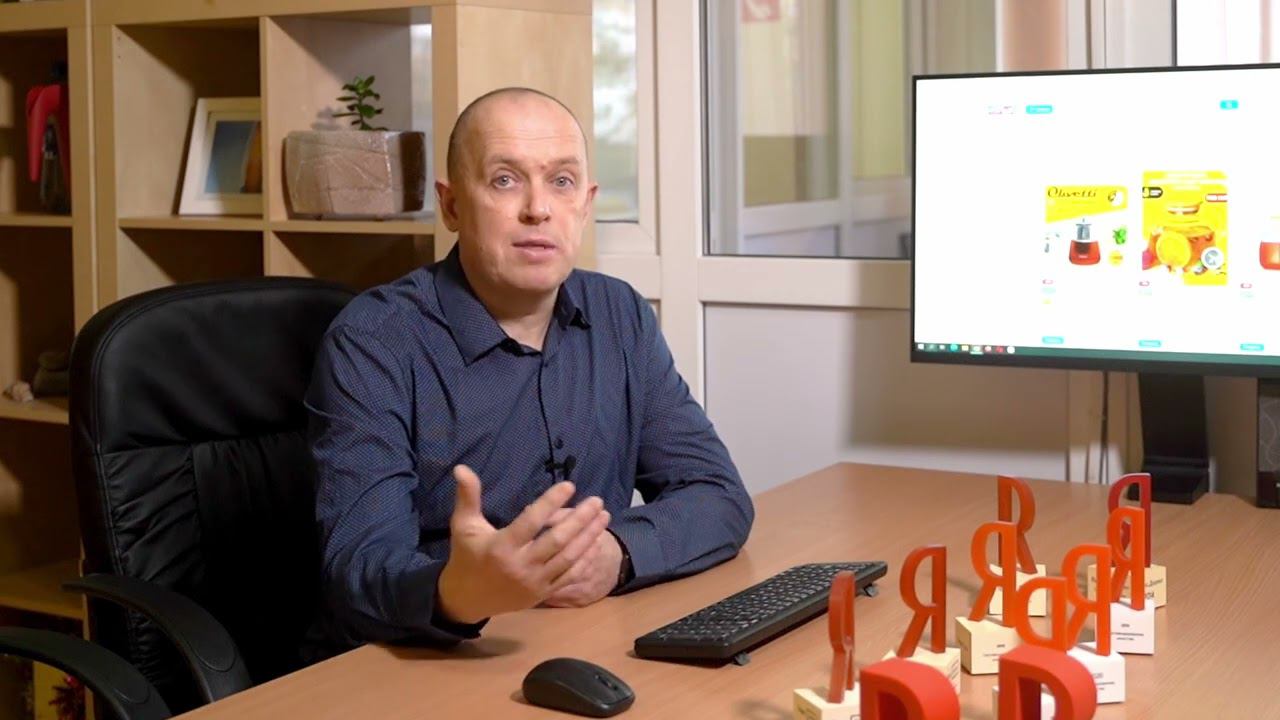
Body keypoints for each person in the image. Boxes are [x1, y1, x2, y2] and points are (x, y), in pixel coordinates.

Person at [305, 87, 753, 652]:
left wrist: (617, 553)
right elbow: (358, 566)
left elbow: (718, 495)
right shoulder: (375, 341)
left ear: (585, 204)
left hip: (581, 642)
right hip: (426, 659)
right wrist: (460, 590)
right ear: (451, 206)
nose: (538, 208)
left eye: (561, 181)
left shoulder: (619, 314)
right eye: (504, 180)